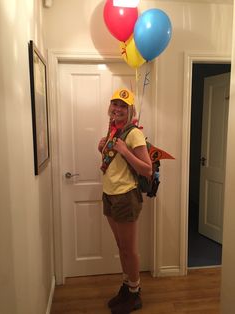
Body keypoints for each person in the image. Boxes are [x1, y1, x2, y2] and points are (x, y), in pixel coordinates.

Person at [98, 88, 152, 314]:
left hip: (125, 196)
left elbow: (147, 169)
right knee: (121, 246)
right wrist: (103, 148)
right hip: (110, 193)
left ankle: (134, 294)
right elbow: (115, 164)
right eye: (115, 105)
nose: (118, 109)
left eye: (123, 106)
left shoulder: (133, 134)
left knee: (129, 249)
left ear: (130, 110)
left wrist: (125, 151)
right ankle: (126, 285)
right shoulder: (113, 130)